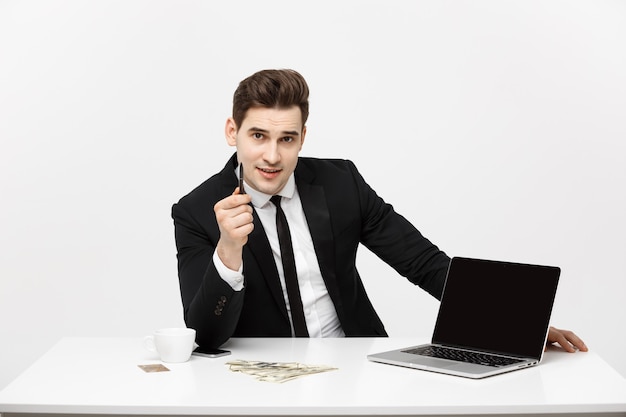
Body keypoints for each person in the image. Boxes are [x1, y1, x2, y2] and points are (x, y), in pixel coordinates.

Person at [172, 69, 587, 353]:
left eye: (287, 139)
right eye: (258, 135)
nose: (272, 155)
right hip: (262, 378)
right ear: (233, 132)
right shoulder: (195, 211)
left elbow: (423, 262)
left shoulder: (340, 183)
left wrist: (516, 323)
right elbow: (206, 336)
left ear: (302, 138)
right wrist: (228, 249)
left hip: (355, 365)